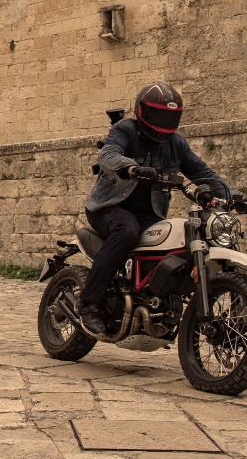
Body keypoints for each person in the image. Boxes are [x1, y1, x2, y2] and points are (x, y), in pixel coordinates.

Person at [78, 83, 231, 335]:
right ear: (142, 111)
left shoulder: (176, 144)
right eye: (158, 115)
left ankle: (154, 297)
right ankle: (90, 304)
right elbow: (108, 155)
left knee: (180, 235)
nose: (164, 121)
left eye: (169, 116)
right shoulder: (125, 129)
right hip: (108, 208)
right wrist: (131, 167)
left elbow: (204, 174)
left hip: (149, 214)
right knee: (126, 230)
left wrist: (233, 195)